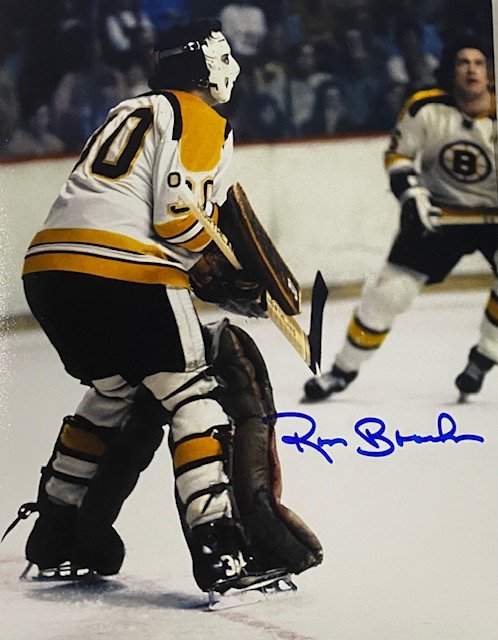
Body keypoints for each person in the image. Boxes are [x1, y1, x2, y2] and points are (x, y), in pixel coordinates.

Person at [18, 19, 322, 594]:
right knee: (192, 393)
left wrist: (213, 270)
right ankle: (221, 548)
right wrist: (225, 273)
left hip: (50, 272)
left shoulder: (129, 110)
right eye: (223, 56)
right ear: (202, 66)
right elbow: (175, 218)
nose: (233, 67)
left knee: (112, 394)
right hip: (127, 272)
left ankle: (57, 532)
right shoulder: (197, 114)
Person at [303, 34, 498, 402]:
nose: (472, 70)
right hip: (441, 213)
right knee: (390, 293)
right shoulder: (426, 107)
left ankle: (485, 357)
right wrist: (410, 194)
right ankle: (342, 370)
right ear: (451, 69)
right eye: (463, 62)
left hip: (495, 216)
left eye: (479, 63)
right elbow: (399, 155)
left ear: (490, 72)